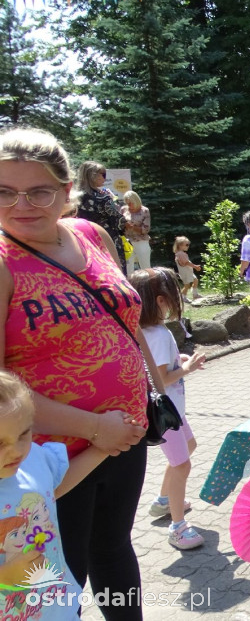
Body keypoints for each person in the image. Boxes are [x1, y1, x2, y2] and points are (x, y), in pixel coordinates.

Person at [0, 127, 155, 621]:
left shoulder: (93, 234)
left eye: (39, 190)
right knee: (58, 577)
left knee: (114, 549)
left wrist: (153, 394)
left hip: (124, 435)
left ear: (67, 191)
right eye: (3, 191)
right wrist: (95, 429)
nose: (20, 204)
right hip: (42, 454)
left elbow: (127, 320)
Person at [0, 371, 109, 618]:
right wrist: (5, 577)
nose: (16, 450)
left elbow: (51, 488)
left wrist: (103, 450)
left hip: (60, 609)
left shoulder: (32, 459)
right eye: (0, 443)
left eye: (23, 434)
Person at [129, 268, 207, 551]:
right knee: (181, 464)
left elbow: (157, 367)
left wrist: (178, 361)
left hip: (172, 409)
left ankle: (163, 500)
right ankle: (178, 527)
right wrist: (186, 368)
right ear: (161, 301)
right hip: (167, 411)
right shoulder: (159, 335)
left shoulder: (146, 331)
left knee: (189, 445)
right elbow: (161, 378)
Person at [74, 160, 126, 273]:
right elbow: (119, 222)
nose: (105, 178)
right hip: (106, 241)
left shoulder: (74, 198)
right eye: (103, 175)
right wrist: (116, 202)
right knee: (113, 273)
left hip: (82, 241)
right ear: (93, 176)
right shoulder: (103, 198)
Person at [121, 190, 151, 272]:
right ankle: (129, 283)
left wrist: (132, 227)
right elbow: (119, 224)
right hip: (127, 242)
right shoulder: (123, 209)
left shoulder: (145, 210)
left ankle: (148, 283)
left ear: (136, 200)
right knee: (127, 267)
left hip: (141, 241)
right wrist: (124, 225)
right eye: (127, 203)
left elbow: (146, 229)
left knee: (145, 266)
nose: (129, 205)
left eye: (131, 203)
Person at [173, 236, 202, 303]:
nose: (188, 246)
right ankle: (183, 297)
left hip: (188, 272)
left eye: (188, 244)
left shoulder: (181, 253)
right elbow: (186, 263)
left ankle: (195, 294)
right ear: (180, 245)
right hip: (185, 273)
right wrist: (195, 266)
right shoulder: (180, 254)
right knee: (187, 286)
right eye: (186, 244)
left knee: (195, 280)